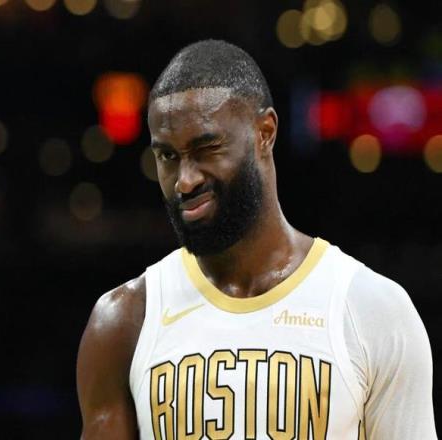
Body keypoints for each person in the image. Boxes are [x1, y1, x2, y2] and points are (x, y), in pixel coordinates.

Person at [76, 40, 437, 439]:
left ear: (265, 132)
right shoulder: (123, 321)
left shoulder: (372, 309)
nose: (185, 180)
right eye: (168, 156)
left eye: (206, 148)